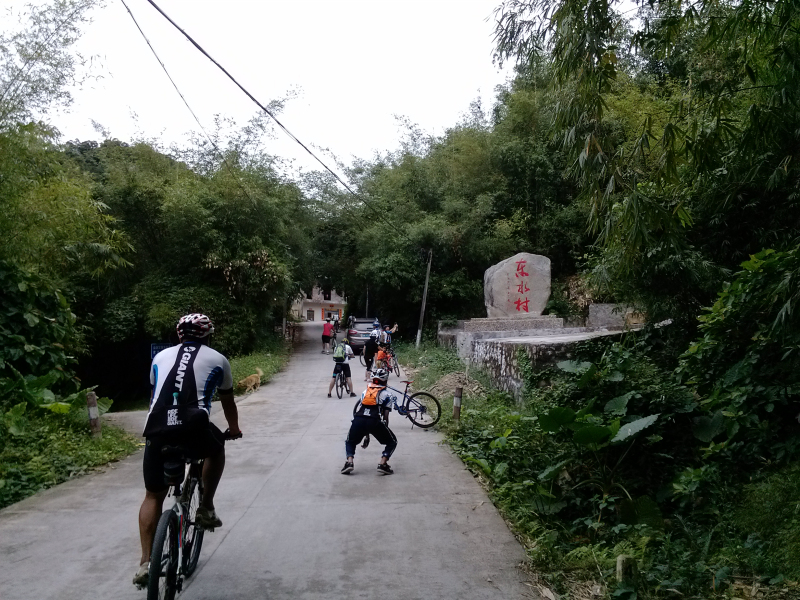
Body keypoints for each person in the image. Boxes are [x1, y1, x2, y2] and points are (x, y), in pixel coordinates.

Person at [133, 314, 242, 588]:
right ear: (208, 335)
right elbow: (228, 401)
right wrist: (233, 428)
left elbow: (154, 396)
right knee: (216, 449)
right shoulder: (218, 359)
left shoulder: (160, 358)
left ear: (179, 334)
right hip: (194, 427)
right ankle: (206, 507)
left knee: (152, 496)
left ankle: (145, 563)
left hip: (157, 428)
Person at [341, 368, 397, 475]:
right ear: (385, 381)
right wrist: (385, 429)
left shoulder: (365, 392)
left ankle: (349, 462)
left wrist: (366, 435)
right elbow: (385, 416)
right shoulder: (387, 395)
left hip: (358, 419)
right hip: (374, 421)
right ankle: (383, 464)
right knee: (392, 441)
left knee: (350, 441)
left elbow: (363, 411)